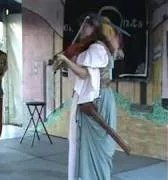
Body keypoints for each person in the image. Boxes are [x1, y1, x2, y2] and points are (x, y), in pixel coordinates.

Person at [54, 14, 122, 180]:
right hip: (102, 97)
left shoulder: (97, 49)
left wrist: (66, 60)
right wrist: (67, 61)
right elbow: (86, 71)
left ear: (95, 29)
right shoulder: (98, 47)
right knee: (93, 146)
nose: (82, 29)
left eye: (86, 26)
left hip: (95, 101)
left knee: (94, 147)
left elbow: (84, 74)